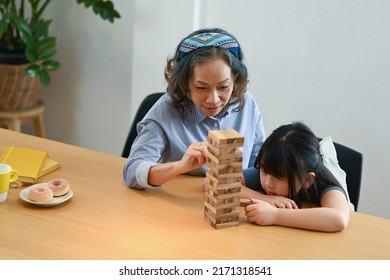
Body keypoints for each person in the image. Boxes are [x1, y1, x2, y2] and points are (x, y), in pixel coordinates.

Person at [123, 28, 266, 190]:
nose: (213, 100)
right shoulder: (165, 109)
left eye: (223, 87)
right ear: (185, 83)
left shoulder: (247, 103)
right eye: (201, 88)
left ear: (235, 78)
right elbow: (132, 172)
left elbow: (261, 167)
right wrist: (180, 166)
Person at [241, 122, 351, 232]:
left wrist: (275, 215)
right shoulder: (270, 169)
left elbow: (338, 219)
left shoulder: (323, 183)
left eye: (279, 177)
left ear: (306, 180)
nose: (267, 183)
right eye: (263, 170)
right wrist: (265, 199)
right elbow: (225, 184)